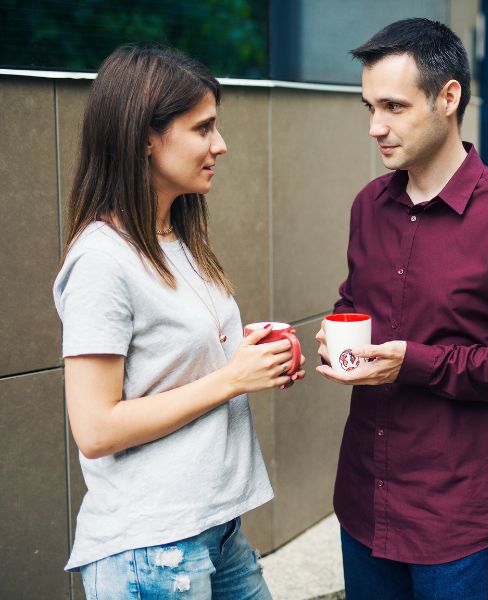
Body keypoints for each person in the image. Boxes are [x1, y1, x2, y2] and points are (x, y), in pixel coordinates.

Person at [315, 18, 488, 600]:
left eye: (392, 106)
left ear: (449, 97)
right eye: (368, 107)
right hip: (365, 503)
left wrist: (417, 363)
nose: (375, 127)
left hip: (460, 522)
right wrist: (337, 334)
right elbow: (354, 299)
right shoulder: (369, 205)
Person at [53, 45, 305, 599]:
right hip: (151, 547)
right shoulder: (102, 259)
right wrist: (232, 379)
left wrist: (251, 353)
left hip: (215, 529)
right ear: (145, 137)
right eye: (203, 128)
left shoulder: (176, 238)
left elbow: (168, 363)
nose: (220, 145)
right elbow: (95, 430)